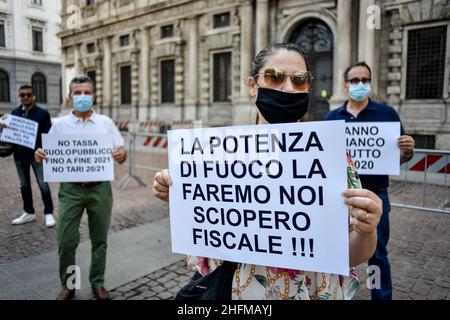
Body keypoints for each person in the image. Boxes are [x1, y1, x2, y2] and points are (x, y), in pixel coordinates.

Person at [152, 43, 383, 300]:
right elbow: (206, 237)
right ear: (252, 85)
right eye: (275, 77)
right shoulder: (216, 155)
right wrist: (178, 192)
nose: (288, 88)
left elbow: (353, 253)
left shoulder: (334, 157)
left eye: (299, 80)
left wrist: (367, 230)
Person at [324, 61, 415, 300]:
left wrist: (407, 149)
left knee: (377, 254)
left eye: (365, 80)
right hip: (339, 199)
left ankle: (381, 297)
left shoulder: (387, 114)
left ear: (371, 84)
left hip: (376, 195)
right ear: (345, 86)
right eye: (355, 81)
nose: (360, 84)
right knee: (337, 250)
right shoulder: (332, 118)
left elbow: (401, 157)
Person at [34, 75, 127, 300]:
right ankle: (69, 285)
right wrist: (40, 155)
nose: (83, 97)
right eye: (78, 93)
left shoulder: (106, 123)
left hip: (100, 189)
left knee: (99, 239)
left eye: (87, 92)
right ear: (70, 97)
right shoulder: (59, 125)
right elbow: (47, 154)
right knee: (66, 240)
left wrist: (121, 155)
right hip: (71, 190)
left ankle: (97, 282)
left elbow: (122, 154)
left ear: (93, 96)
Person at [0, 85, 55, 227]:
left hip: (37, 156)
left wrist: (43, 151)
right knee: (24, 185)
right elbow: (9, 138)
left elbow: (48, 135)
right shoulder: (14, 113)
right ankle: (28, 212)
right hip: (19, 155)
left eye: (28, 95)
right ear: (19, 96)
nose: (25, 97)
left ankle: (49, 213)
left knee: (43, 184)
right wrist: (3, 131)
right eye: (22, 95)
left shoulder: (42, 114)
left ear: (34, 96)